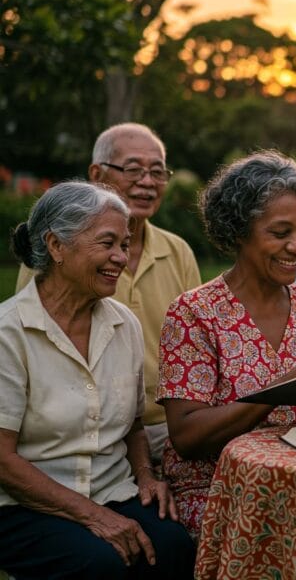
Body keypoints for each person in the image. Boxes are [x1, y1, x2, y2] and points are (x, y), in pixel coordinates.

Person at [157, 150, 296, 540]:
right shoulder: (195, 313)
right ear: (238, 231)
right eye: (280, 232)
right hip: (224, 490)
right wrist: (281, 390)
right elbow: (187, 437)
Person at [0, 181, 195, 579]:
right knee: (100, 563)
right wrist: (94, 517)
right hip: (23, 504)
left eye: (124, 244)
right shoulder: (9, 332)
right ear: (56, 246)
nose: (121, 258)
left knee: (174, 544)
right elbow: (2, 460)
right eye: (107, 243)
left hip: (112, 490)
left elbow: (135, 426)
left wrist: (145, 476)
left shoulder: (124, 324)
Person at [16, 123, 201, 464]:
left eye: (157, 172)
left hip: (166, 425)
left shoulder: (178, 252)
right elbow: (32, 344)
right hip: (81, 430)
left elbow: (197, 349)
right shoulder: (56, 256)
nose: (147, 182)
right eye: (133, 169)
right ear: (97, 174)